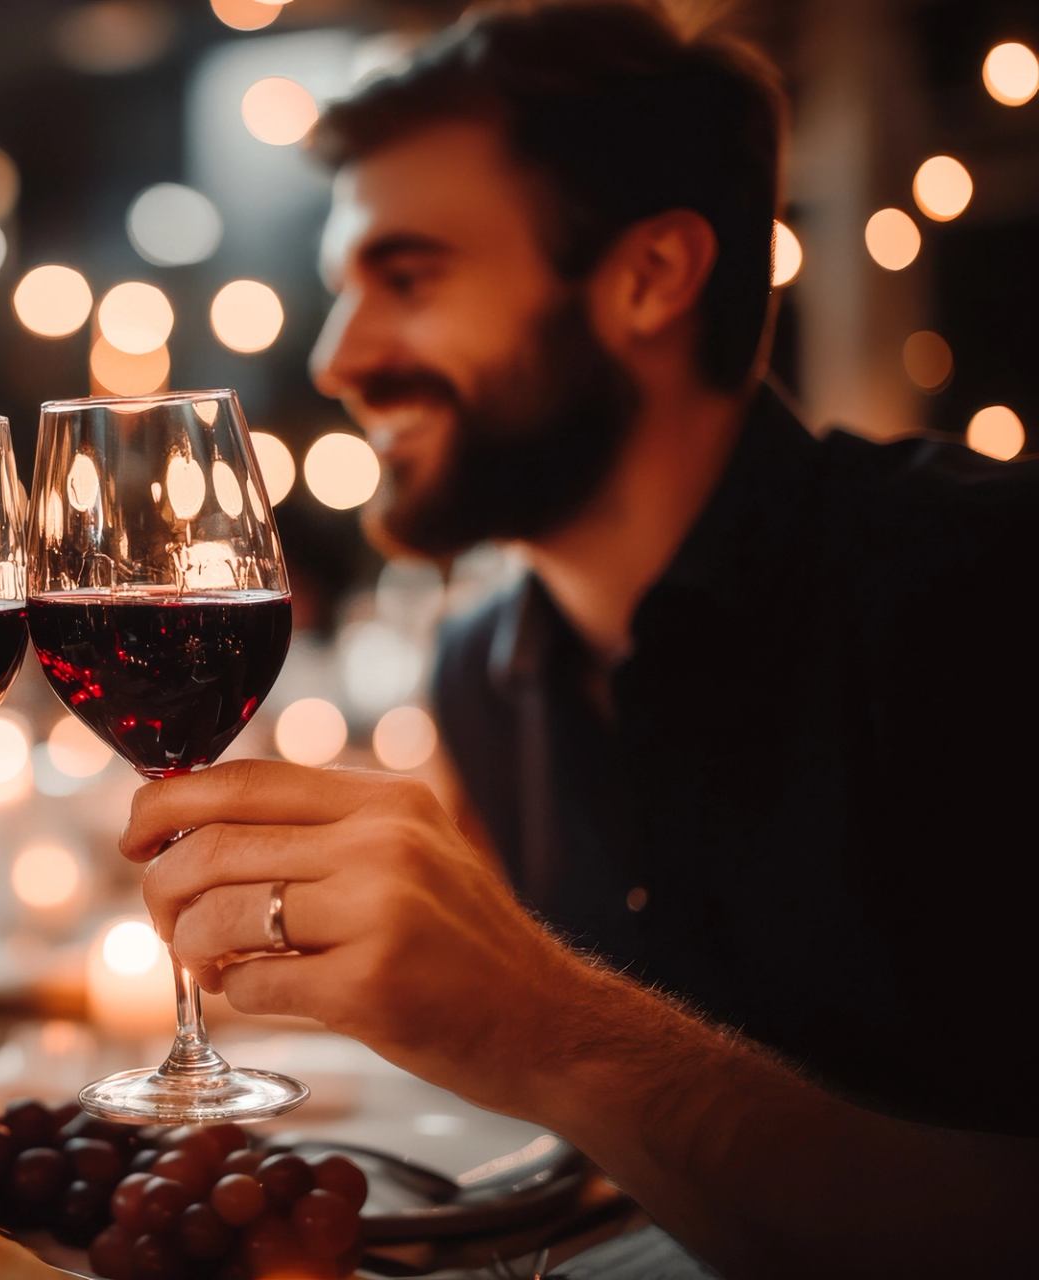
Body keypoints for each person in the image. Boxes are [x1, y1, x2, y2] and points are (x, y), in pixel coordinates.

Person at [120, 3, 1039, 1275]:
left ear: (650, 277)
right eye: (344, 287)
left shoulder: (983, 592)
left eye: (410, 275)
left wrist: (550, 1028)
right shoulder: (487, 674)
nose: (340, 356)